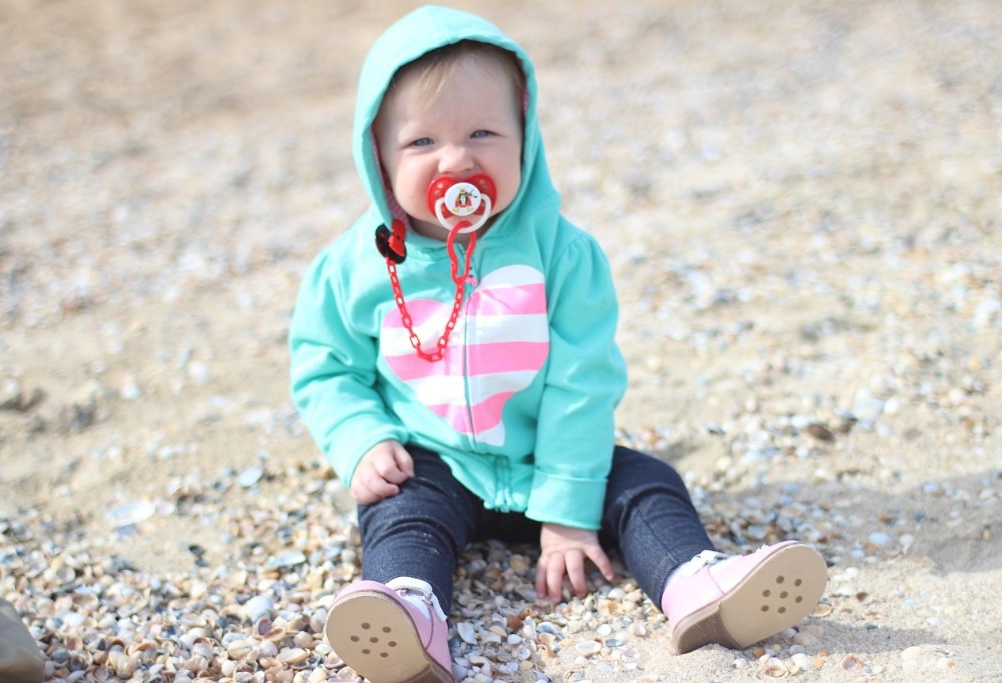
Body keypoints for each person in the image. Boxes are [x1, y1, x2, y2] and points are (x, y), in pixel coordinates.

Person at [288, 6, 827, 682]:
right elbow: (326, 365)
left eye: (483, 132)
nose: (456, 159)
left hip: (551, 456)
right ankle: (410, 609)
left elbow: (582, 380)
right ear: (378, 156)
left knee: (647, 482)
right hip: (434, 462)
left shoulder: (562, 255)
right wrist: (360, 439)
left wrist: (569, 512)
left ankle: (696, 582)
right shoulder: (353, 268)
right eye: (421, 141)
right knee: (397, 512)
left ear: (526, 137)